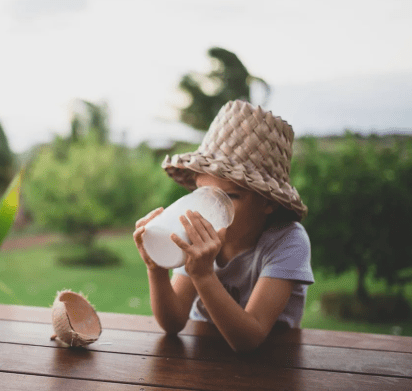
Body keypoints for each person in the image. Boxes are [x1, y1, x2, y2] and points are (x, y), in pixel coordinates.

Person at [133, 100, 313, 352]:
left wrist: (204, 275)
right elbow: (173, 323)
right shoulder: (196, 237)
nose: (212, 208)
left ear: (267, 203)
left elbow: (250, 339)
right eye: (204, 193)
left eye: (232, 196)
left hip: (273, 362)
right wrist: (156, 269)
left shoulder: (287, 241)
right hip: (204, 356)